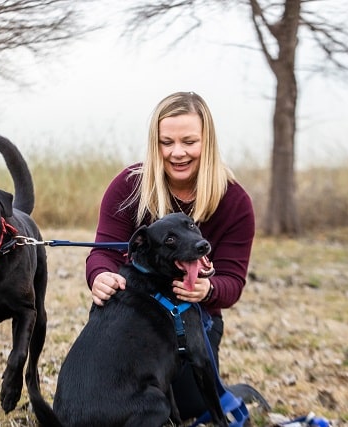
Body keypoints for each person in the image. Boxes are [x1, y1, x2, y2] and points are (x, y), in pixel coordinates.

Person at [85, 91, 255, 420]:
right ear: (155, 143)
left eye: (189, 141)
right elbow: (103, 253)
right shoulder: (128, 187)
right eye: (167, 142)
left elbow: (232, 281)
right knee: (118, 401)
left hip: (193, 320)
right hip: (135, 318)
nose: (177, 153)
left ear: (207, 142)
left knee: (188, 406)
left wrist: (209, 290)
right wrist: (100, 276)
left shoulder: (234, 201)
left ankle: (229, 394)